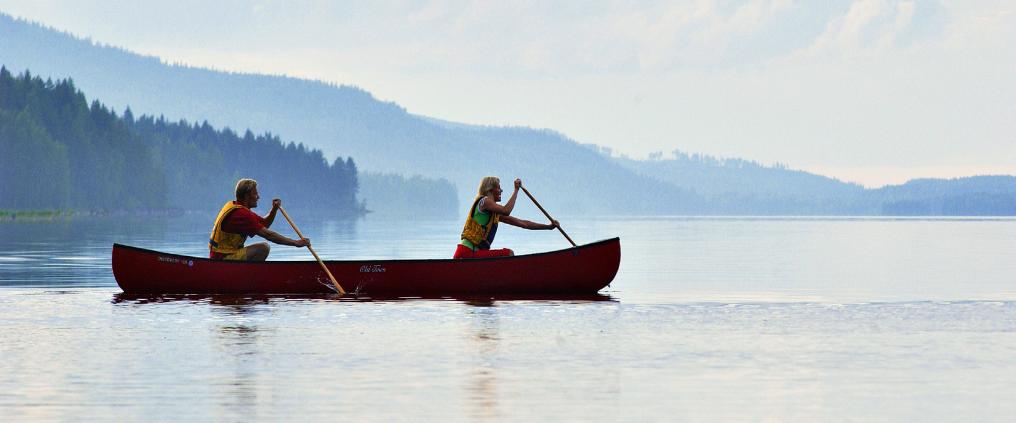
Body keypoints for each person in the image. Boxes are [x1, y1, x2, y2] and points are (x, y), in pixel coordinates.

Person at [454, 176, 559, 259]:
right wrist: (516, 190)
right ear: (490, 190)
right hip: (467, 253)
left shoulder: (494, 214)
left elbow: (523, 223)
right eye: (498, 187)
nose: (501, 190)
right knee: (508, 253)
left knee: (507, 253)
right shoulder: (484, 201)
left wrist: (548, 227)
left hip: (474, 254)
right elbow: (506, 210)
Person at [209, 178, 310, 261]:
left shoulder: (236, 207)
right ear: (247, 196)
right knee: (263, 248)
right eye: (255, 194)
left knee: (262, 247)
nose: (258, 197)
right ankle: (248, 278)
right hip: (223, 260)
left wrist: (274, 210)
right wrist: (295, 243)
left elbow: (264, 224)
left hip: (222, 257)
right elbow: (269, 235)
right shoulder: (241, 214)